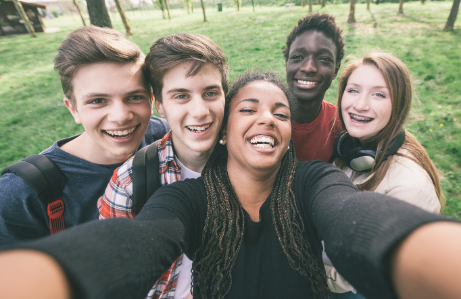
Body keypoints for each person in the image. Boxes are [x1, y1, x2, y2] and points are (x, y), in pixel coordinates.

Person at [0, 72, 459, 299]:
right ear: (222, 131)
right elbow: (140, 239)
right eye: (249, 109)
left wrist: (429, 251)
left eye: (280, 113)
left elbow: (353, 218)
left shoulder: (312, 179)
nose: (267, 118)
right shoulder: (186, 197)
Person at [0, 26, 169, 245]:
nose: (121, 116)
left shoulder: (162, 134)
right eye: (98, 101)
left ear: (151, 100)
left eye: (135, 97)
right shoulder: (21, 194)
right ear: (73, 109)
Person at [97, 33, 228, 299]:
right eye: (181, 95)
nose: (200, 110)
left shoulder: (249, 165)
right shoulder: (129, 184)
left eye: (211, 93)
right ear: (160, 106)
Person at [325, 50, 446, 298]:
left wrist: (295, 263)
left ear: (398, 106)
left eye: (379, 94)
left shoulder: (409, 188)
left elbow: (353, 275)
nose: (360, 104)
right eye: (353, 90)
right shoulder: (351, 150)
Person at [283, 13, 344, 163]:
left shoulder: (341, 125)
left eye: (323, 59)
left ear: (336, 69)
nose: (309, 68)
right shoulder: (261, 119)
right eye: (297, 57)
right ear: (287, 63)